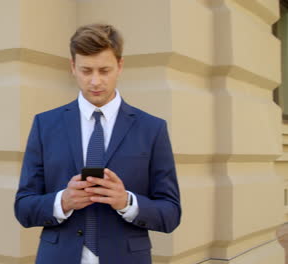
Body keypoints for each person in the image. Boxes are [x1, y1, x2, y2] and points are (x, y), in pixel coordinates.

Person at [14, 23, 181, 264]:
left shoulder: (152, 129)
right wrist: (62, 201)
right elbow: (23, 208)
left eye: (104, 70)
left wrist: (127, 202)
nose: (95, 81)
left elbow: (171, 214)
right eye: (86, 70)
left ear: (120, 66)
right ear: (73, 67)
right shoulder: (45, 125)